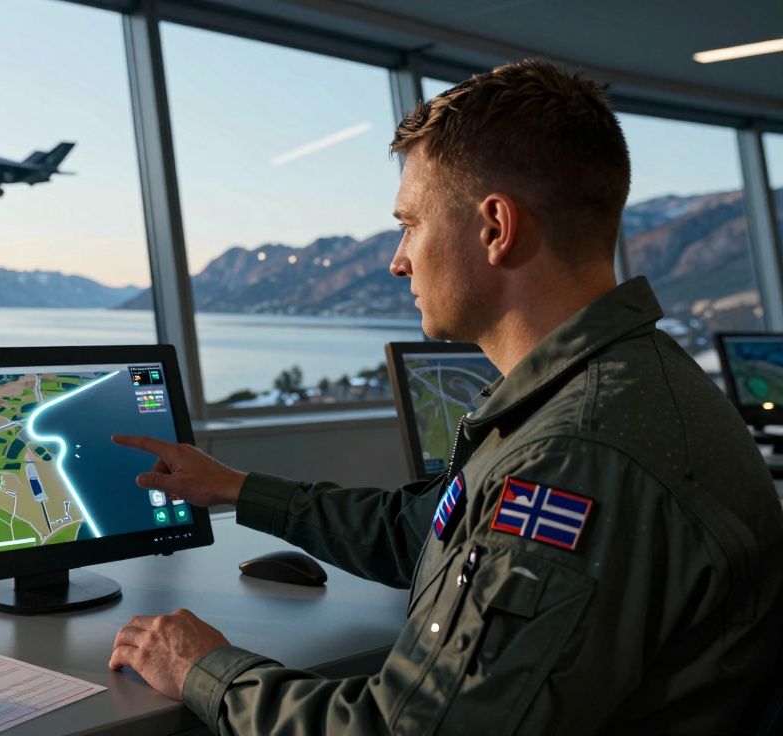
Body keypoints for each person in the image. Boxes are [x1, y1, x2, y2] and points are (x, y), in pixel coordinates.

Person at [107, 59, 783, 735]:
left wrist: (206, 669)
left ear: (495, 228)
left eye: (410, 223)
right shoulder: (619, 383)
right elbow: (420, 533)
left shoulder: (574, 452)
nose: (399, 259)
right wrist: (234, 487)